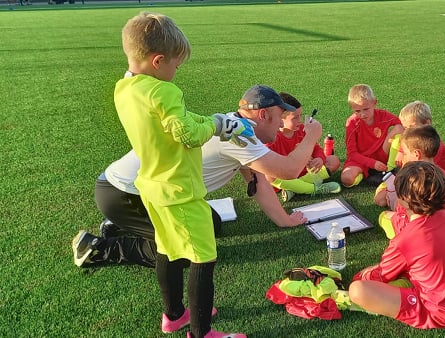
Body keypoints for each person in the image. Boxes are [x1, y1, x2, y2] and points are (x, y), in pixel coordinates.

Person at [73, 86, 321, 269]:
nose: (281, 125)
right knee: (181, 254)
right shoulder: (240, 137)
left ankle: (120, 224)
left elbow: (257, 183)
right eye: (279, 117)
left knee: (210, 223)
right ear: (263, 115)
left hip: (126, 188)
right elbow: (288, 170)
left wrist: (285, 221)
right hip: (124, 194)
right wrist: (312, 135)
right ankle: (98, 248)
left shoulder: (237, 127)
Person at [111, 12, 248, 338]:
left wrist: (212, 118)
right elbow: (187, 133)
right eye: (175, 64)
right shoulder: (164, 92)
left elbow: (178, 121)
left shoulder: (125, 88)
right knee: (204, 258)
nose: (176, 71)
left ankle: (174, 315)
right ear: (158, 61)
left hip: (152, 186)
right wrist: (217, 125)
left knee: (168, 250)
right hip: (180, 190)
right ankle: (201, 334)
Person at [348, 161, 445, 329]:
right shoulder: (441, 216)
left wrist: (361, 276)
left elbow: (382, 275)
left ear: (402, 200)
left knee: (358, 290)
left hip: (437, 313)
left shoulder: (407, 240)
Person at [377, 125, 445, 239]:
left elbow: (403, 209)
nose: (402, 157)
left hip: (421, 233)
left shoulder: (413, 177)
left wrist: (393, 198)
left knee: (384, 216)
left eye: (404, 153)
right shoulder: (441, 174)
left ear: (416, 154)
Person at [264, 92, 341, 202]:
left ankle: (295, 188)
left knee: (333, 161)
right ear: (280, 119)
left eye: (301, 115)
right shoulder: (272, 138)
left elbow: (316, 148)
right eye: (295, 117)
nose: (300, 120)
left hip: (303, 172)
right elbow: (272, 169)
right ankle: (314, 189)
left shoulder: (302, 129)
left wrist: (319, 159)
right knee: (269, 176)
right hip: (285, 176)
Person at [374, 101, 445, 208]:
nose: (406, 132)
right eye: (405, 128)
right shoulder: (411, 139)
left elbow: (424, 178)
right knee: (380, 200)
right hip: (410, 179)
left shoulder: (433, 147)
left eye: (411, 127)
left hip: (425, 186)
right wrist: (400, 152)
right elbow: (404, 143)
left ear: (427, 123)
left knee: (395, 205)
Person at [340, 84, 403, 187]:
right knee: (347, 179)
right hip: (361, 160)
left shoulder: (384, 116)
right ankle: (366, 176)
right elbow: (352, 153)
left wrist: (398, 148)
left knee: (399, 130)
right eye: (357, 111)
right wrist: (372, 164)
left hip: (382, 157)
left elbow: (402, 124)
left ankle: (390, 169)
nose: (362, 114)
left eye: (366, 109)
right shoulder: (352, 123)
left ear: (374, 103)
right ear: (352, 108)